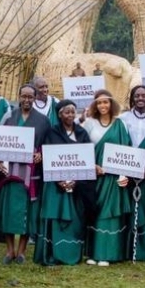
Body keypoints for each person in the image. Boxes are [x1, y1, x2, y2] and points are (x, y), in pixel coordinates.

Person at [0, 84, 49, 264]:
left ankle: (22, 251)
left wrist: (42, 154)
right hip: (10, 173)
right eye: (24, 96)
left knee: (28, 212)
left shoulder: (43, 120)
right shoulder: (9, 117)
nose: (26, 100)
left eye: (30, 97)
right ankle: (10, 250)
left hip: (30, 174)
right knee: (9, 211)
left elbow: (48, 143)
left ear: (35, 98)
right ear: (19, 96)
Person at [34, 99, 92, 266]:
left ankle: (70, 254)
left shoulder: (82, 133)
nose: (70, 115)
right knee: (54, 217)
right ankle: (51, 254)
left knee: (74, 219)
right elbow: (47, 157)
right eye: (67, 112)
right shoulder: (51, 133)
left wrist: (75, 180)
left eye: (73, 112)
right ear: (60, 115)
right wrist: (59, 179)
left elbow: (87, 158)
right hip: (54, 184)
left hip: (76, 184)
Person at [82, 89, 132, 266]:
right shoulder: (89, 123)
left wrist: (124, 174)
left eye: (106, 102)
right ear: (95, 105)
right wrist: (92, 166)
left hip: (113, 178)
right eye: (99, 102)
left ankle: (108, 253)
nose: (103, 105)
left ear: (111, 104)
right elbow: (81, 148)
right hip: (94, 176)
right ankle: (93, 253)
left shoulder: (120, 124)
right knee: (95, 212)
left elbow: (126, 150)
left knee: (109, 214)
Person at [118, 85, 145, 262]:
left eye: (144, 95)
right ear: (132, 98)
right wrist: (126, 169)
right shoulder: (123, 119)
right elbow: (120, 144)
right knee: (129, 210)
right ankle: (127, 249)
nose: (141, 98)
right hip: (128, 172)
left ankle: (144, 250)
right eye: (137, 96)